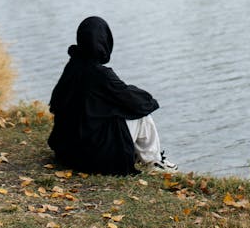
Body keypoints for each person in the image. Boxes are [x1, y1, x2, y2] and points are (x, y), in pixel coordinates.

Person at [48, 15, 177, 175]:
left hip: (67, 152)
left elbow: (56, 103)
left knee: (117, 110)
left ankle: (145, 157)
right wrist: (149, 99)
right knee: (142, 116)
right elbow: (133, 101)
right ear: (104, 40)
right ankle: (153, 160)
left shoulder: (73, 66)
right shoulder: (101, 74)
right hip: (92, 158)